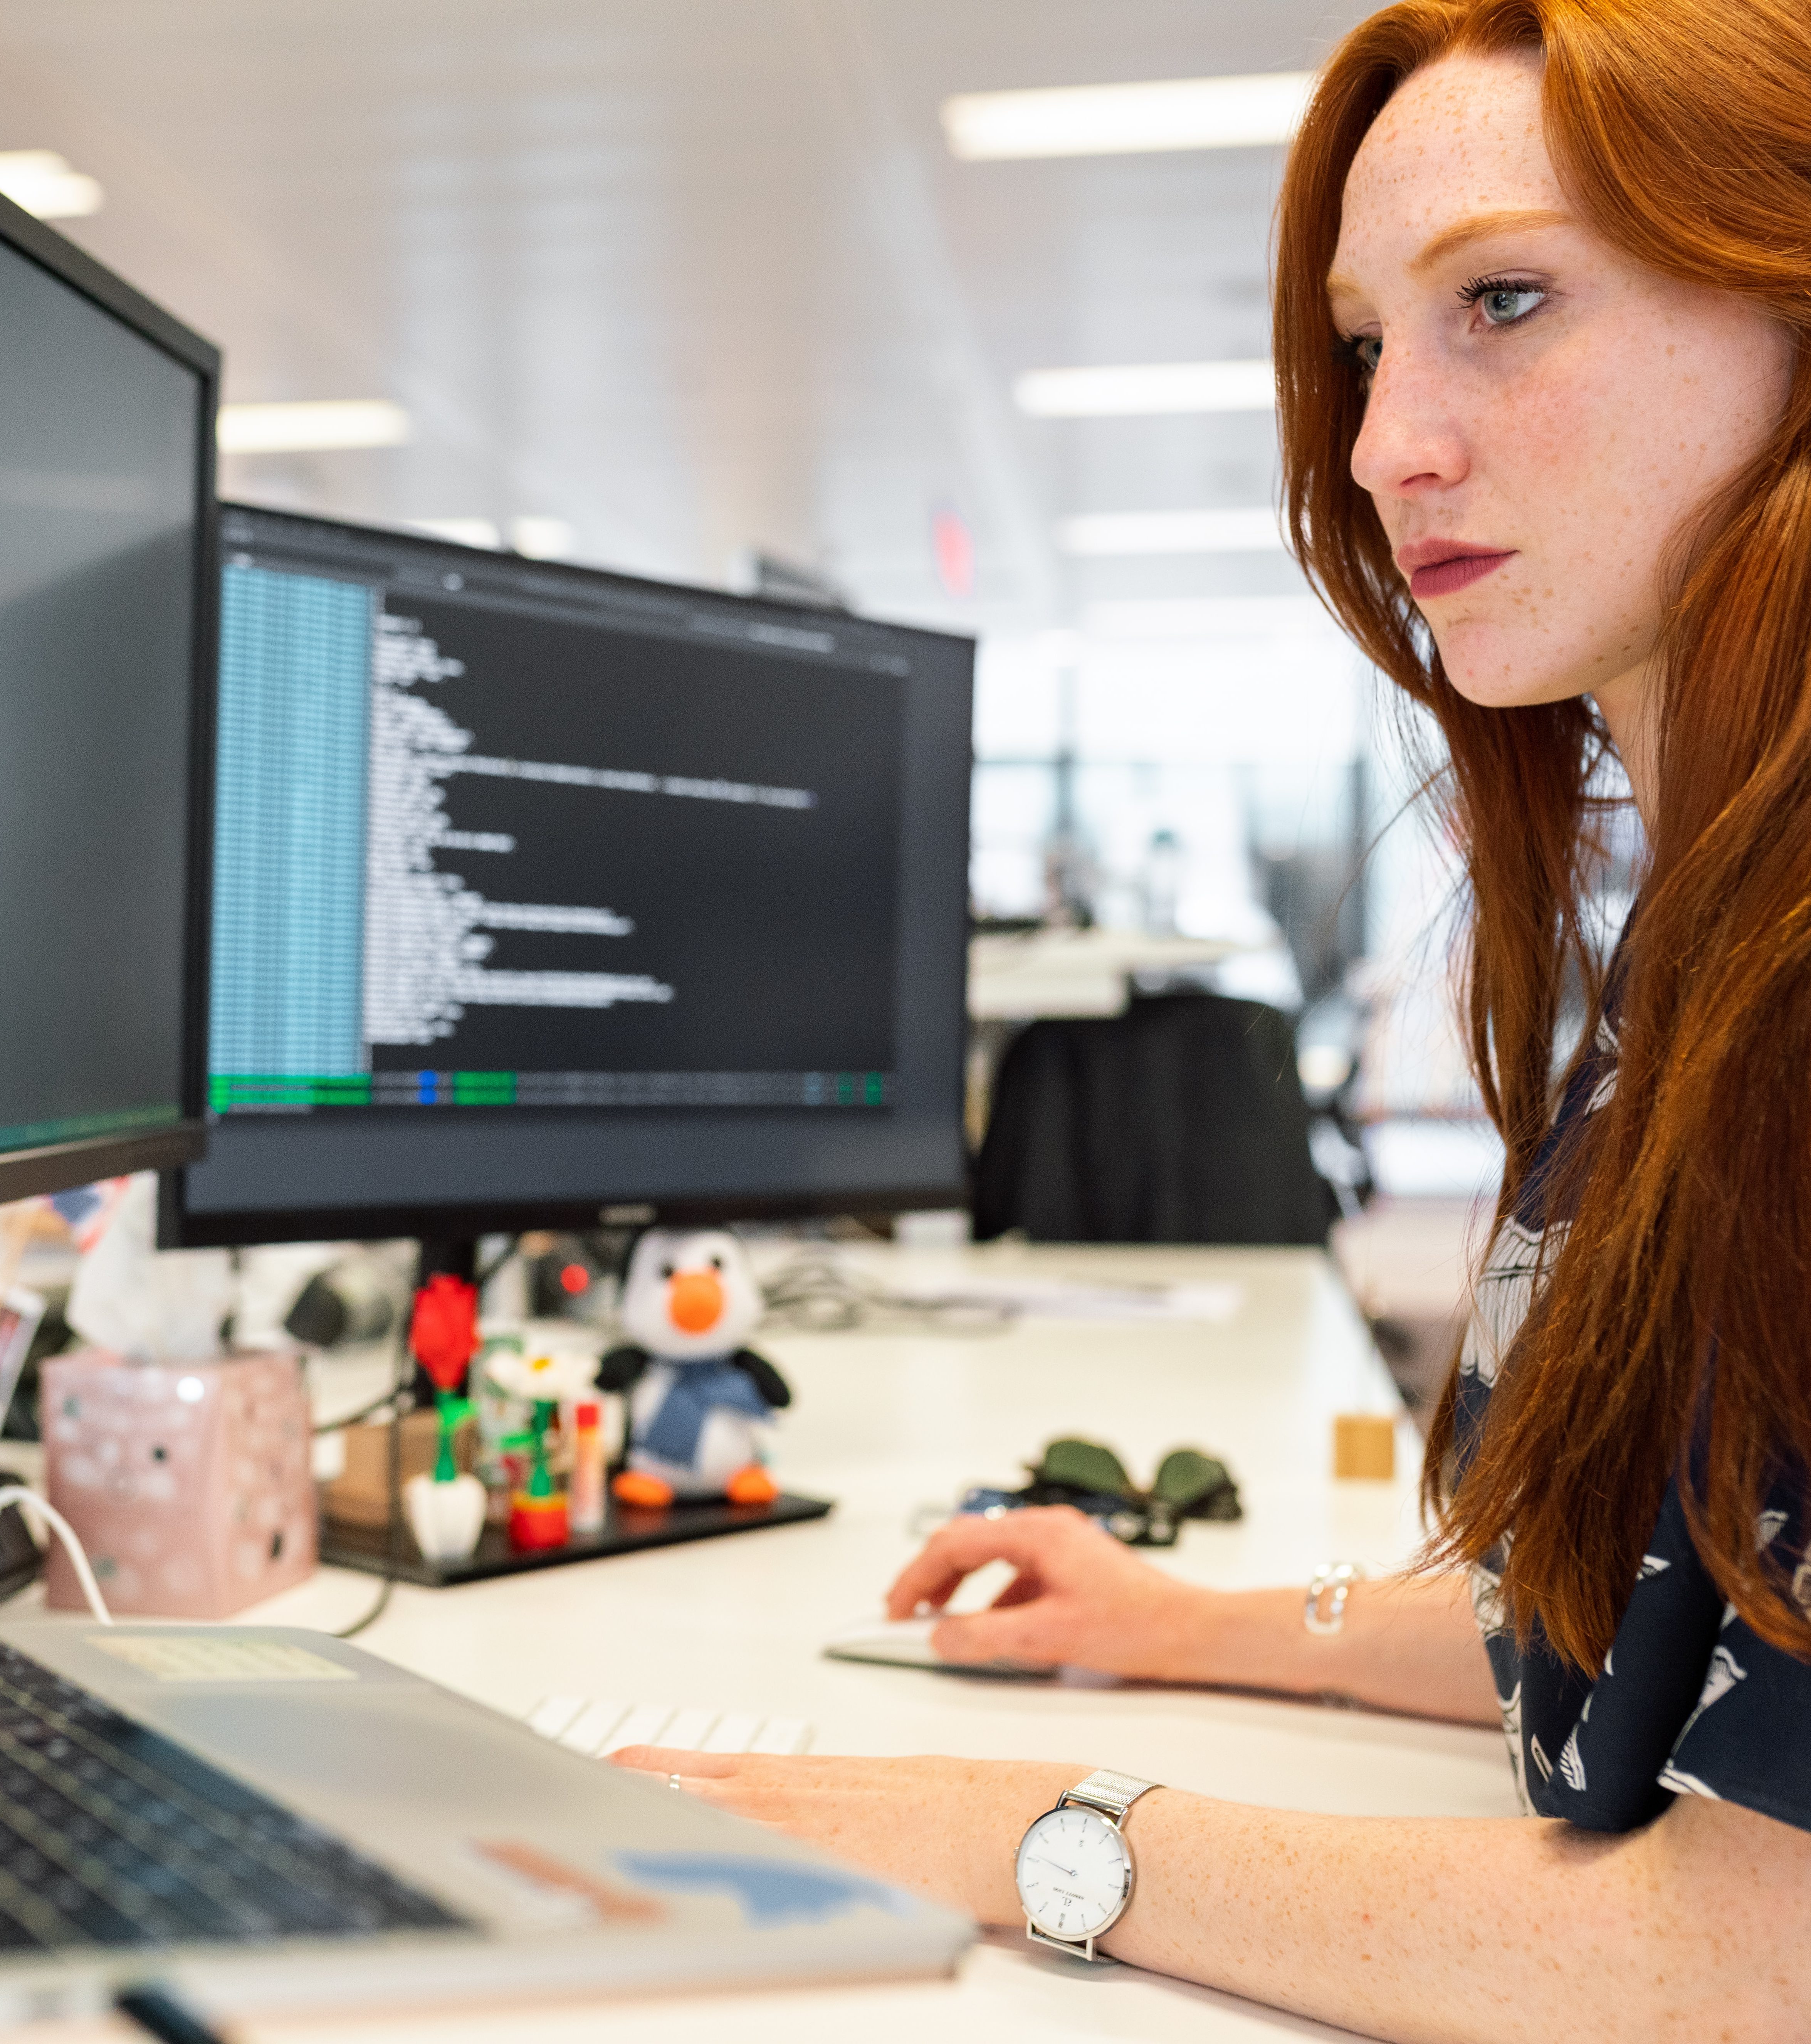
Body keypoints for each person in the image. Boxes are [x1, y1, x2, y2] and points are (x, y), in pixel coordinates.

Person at [612, 3, 1811, 2034]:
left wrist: (1023, 1836)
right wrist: (1202, 1622)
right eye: (1363, 347)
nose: (1377, 445)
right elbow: (1684, 1635)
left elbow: (1767, 1941)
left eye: (1501, 300)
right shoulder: (1698, 962)